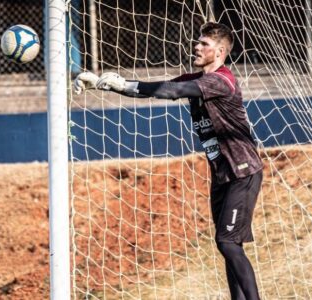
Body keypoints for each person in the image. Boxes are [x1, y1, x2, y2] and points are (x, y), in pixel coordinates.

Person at [74, 22, 264, 300]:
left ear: (220, 51)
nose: (196, 47)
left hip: (242, 171)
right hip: (222, 174)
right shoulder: (198, 80)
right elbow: (157, 88)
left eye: (204, 44)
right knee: (228, 245)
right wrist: (114, 85)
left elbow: (173, 92)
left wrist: (124, 84)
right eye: (197, 42)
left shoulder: (221, 81)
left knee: (227, 242)